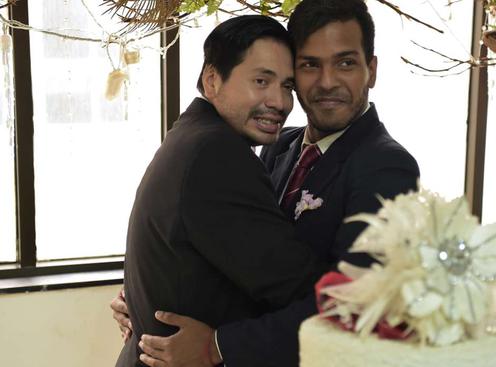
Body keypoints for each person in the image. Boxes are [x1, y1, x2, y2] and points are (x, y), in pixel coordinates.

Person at [114, 0, 421, 366]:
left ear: (371, 69)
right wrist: (151, 290)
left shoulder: (387, 166)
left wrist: (218, 345)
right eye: (309, 66)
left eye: (345, 63)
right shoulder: (278, 147)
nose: (327, 81)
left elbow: (357, 306)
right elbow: (233, 249)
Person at [114, 15, 329, 367]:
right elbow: (293, 286)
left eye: (287, 86)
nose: (280, 102)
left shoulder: (191, 135)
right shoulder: (216, 153)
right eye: (261, 81)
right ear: (213, 80)